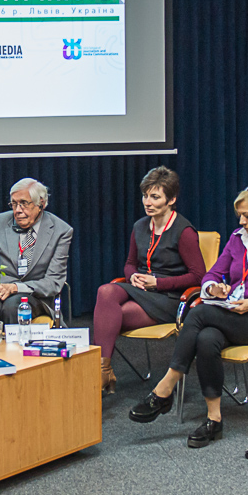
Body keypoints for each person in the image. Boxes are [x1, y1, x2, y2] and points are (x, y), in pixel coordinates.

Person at [128, 184, 248, 448]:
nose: (242, 222)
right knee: (207, 338)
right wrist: (213, 288)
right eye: (240, 216)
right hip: (232, 315)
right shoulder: (238, 238)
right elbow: (211, 274)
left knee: (199, 312)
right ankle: (214, 419)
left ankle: (165, 388)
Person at [91, 166, 203, 394]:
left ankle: (100, 373)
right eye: (145, 196)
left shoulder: (184, 231)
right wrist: (132, 276)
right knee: (106, 291)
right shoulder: (140, 226)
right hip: (142, 289)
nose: (147, 202)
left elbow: (199, 276)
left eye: (155, 197)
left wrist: (158, 283)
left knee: (111, 316)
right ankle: (102, 371)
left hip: (169, 297)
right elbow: (130, 263)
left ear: (171, 199)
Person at [0, 178, 74, 323]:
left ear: (41, 204)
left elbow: (53, 282)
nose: (17, 210)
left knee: (14, 307)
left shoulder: (61, 231)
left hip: (35, 296)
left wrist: (15, 287)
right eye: (14, 204)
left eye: (24, 203)